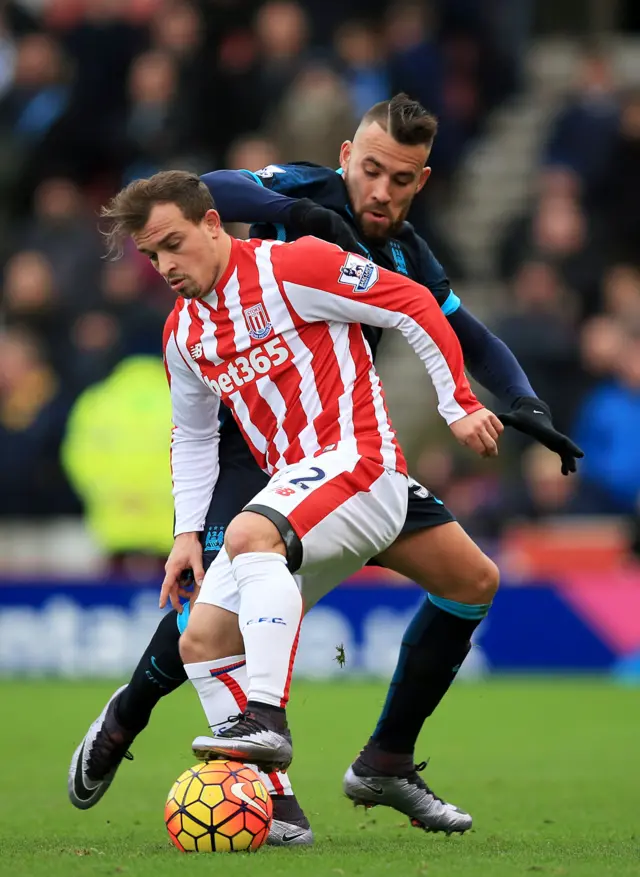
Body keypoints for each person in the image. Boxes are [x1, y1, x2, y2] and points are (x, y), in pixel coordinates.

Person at [69, 95, 583, 841]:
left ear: (422, 182)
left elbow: (455, 326)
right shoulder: (292, 209)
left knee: (471, 582)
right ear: (345, 156)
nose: (381, 191)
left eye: (400, 180)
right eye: (371, 170)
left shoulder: (404, 255)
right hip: (259, 449)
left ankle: (382, 758)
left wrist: (519, 400)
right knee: (205, 615)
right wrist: (306, 216)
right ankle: (142, 723)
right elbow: (207, 189)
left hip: (349, 449)